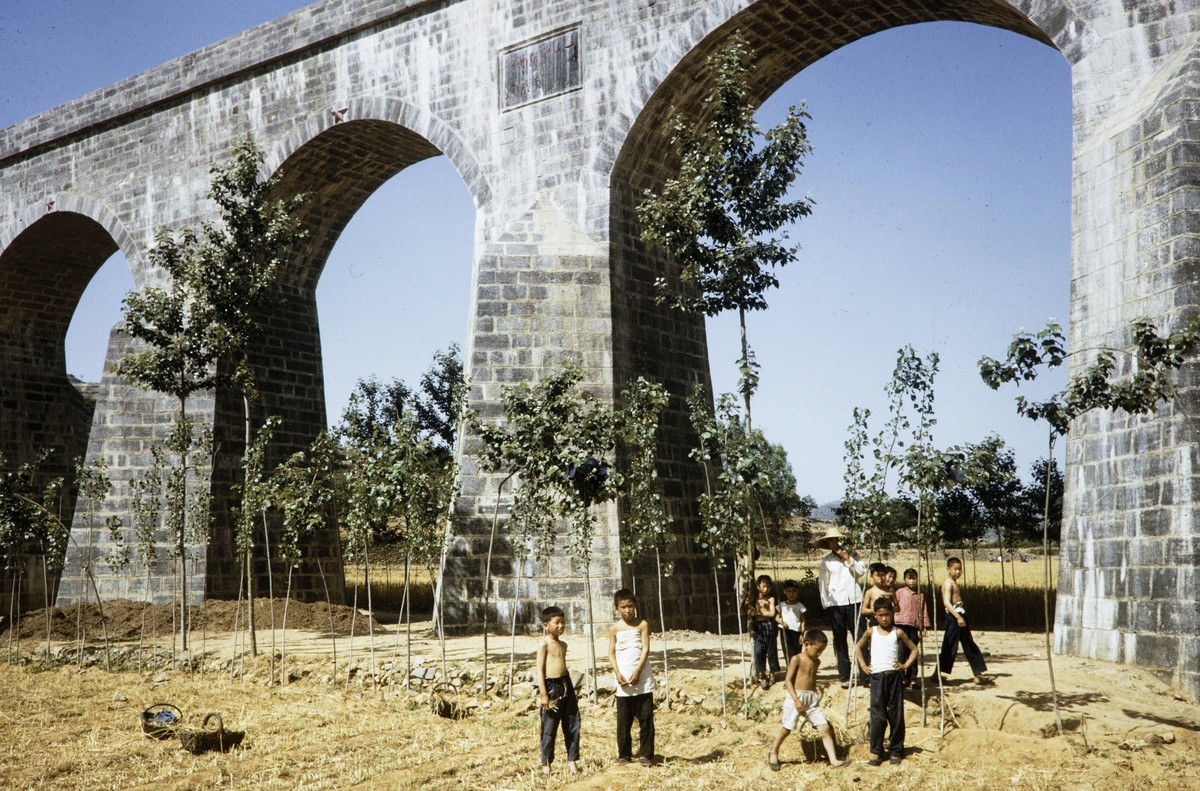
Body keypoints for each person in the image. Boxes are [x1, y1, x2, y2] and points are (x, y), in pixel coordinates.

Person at [767, 629, 850, 771]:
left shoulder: (817, 661)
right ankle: (774, 752)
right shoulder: (797, 659)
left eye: (822, 651)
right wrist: (796, 700)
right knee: (787, 729)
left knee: (824, 728)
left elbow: (811, 679)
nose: (819, 654)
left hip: (811, 698)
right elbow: (788, 681)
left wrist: (814, 695)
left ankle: (834, 760)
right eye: (817, 650)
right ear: (806, 644)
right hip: (796, 697)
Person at [854, 599, 918, 766]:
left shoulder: (898, 632)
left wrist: (904, 665)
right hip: (877, 678)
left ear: (893, 614)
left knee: (896, 714)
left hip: (894, 677)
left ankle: (896, 750)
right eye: (880, 615)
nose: (884, 619)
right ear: (875, 615)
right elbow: (858, 647)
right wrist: (863, 665)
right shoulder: (871, 632)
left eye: (887, 615)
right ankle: (876, 752)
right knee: (877, 715)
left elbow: (914, 649)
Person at [608, 588, 655, 765]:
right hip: (623, 678)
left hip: (642, 677)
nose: (627, 610)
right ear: (617, 608)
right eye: (623, 607)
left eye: (630, 606)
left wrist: (638, 671)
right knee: (623, 721)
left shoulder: (642, 624)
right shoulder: (614, 629)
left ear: (635, 606)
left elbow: (645, 649)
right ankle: (624, 754)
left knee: (645, 718)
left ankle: (646, 754)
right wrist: (617, 673)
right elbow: (611, 653)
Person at [816, 526, 867, 688]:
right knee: (840, 640)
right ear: (827, 543)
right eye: (831, 541)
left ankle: (865, 674)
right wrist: (826, 604)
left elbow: (861, 572)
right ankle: (845, 676)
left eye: (836, 540)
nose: (834, 543)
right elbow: (823, 584)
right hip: (836, 603)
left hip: (854, 601)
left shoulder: (854, 556)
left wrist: (847, 558)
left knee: (860, 637)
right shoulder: (826, 562)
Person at [535, 606, 580, 775]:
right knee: (549, 727)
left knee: (572, 723)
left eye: (563, 622)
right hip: (551, 686)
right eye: (557, 623)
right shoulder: (544, 644)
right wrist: (544, 693)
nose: (561, 626)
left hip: (565, 684)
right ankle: (546, 765)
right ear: (546, 625)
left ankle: (572, 762)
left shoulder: (563, 644)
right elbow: (540, 669)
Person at [938, 557, 990, 684]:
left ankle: (978, 672)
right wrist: (958, 617)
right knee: (949, 646)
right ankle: (939, 674)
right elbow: (946, 603)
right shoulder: (948, 583)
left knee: (969, 644)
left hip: (960, 615)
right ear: (948, 569)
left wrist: (961, 616)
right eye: (955, 569)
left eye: (960, 569)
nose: (958, 572)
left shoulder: (954, 583)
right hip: (954, 617)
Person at [893, 568, 930, 687]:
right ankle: (901, 677)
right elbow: (894, 606)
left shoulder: (920, 595)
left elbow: (923, 611)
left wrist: (924, 625)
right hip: (900, 625)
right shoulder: (899, 592)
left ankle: (912, 678)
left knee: (912, 651)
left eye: (914, 578)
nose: (912, 581)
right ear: (904, 579)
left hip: (914, 626)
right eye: (909, 578)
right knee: (901, 652)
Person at [747, 574, 780, 689]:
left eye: (768, 587)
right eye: (764, 586)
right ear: (758, 586)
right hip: (758, 627)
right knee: (759, 651)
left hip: (769, 626)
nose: (766, 589)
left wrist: (759, 613)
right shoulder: (754, 600)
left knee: (771, 650)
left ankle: (772, 675)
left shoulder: (771, 599)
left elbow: (771, 613)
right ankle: (762, 674)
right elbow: (748, 611)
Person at [777, 579, 807, 662]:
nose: (791, 594)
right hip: (785, 632)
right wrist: (781, 622)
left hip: (796, 632)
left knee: (797, 653)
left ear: (797, 592)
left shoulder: (800, 606)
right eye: (789, 591)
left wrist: (802, 634)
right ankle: (790, 670)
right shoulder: (781, 605)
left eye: (794, 591)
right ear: (784, 592)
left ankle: (796, 672)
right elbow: (776, 616)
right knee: (788, 652)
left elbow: (803, 621)